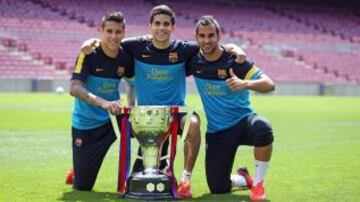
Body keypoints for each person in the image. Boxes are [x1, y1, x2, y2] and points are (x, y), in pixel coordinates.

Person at [80, 4, 246, 198]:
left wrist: (235, 47)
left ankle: (185, 180)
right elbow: (111, 40)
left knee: (193, 125)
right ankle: (83, 166)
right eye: (157, 23)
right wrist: (90, 41)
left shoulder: (185, 50)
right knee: (138, 182)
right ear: (149, 26)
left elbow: (213, 46)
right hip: (147, 121)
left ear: (173, 27)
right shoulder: (135, 46)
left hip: (176, 114)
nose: (161, 27)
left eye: (166, 24)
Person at [189, 15, 275, 201]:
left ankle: (259, 185)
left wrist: (245, 83)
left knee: (263, 127)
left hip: (243, 122)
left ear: (219, 36)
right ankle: (244, 178)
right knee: (218, 188)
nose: (206, 40)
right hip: (217, 131)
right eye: (202, 36)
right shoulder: (194, 60)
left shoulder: (235, 61)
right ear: (196, 38)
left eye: (211, 35)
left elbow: (269, 85)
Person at [66, 11, 134, 191]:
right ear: (101, 31)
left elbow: (132, 84)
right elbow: (74, 88)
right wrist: (104, 103)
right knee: (83, 186)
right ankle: (79, 168)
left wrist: (132, 107)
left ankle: (133, 181)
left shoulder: (126, 57)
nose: (113, 36)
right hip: (86, 123)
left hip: (112, 118)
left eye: (118, 32)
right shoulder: (88, 53)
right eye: (109, 31)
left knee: (137, 129)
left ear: (124, 32)